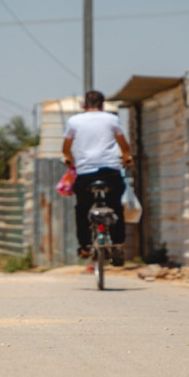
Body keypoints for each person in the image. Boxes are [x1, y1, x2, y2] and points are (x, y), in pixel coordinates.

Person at [62, 90, 134, 265]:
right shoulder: (112, 119)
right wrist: (126, 158)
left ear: (84, 105)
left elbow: (65, 149)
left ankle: (85, 245)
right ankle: (117, 244)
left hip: (85, 173)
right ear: (102, 105)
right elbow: (124, 146)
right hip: (110, 171)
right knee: (115, 205)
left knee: (82, 208)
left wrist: (70, 162)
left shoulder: (74, 121)